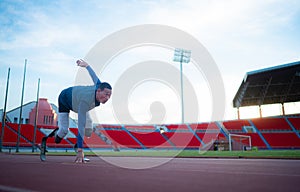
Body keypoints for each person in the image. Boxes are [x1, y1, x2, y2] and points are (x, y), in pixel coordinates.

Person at [55, 59, 112, 163]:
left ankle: (78, 143)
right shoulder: (86, 100)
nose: (108, 98)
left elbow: (93, 76)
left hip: (77, 101)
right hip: (64, 99)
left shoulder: (99, 86)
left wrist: (87, 66)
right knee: (64, 130)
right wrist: (80, 150)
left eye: (109, 95)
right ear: (98, 91)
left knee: (89, 125)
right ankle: (56, 137)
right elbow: (80, 125)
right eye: (106, 94)